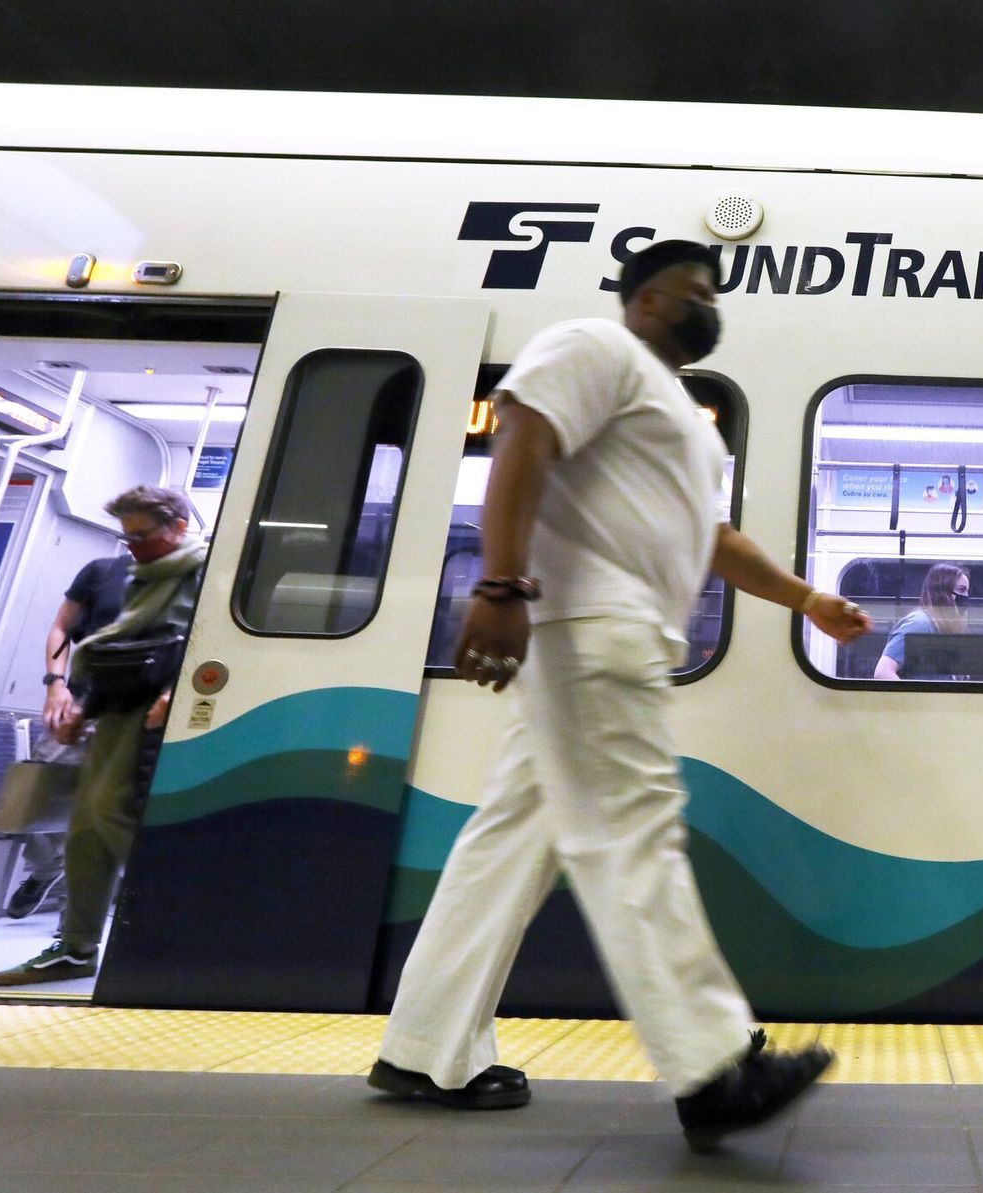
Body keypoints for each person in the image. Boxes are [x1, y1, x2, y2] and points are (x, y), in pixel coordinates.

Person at [365, 240, 872, 1150]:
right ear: (644, 298)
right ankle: (713, 1065)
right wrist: (502, 586)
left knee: (513, 839)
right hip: (593, 625)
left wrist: (805, 598)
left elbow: (710, 537)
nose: (707, 304)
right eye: (692, 290)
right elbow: (522, 441)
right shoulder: (591, 347)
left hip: (605, 631)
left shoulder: (679, 414)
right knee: (632, 829)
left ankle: (422, 1045)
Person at [0, 487, 203, 984]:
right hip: (114, 707)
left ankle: (180, 932)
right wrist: (75, 700)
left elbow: (204, 641)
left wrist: (178, 689)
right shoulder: (127, 576)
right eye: (126, 536)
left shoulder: (206, 571)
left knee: (116, 817)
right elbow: (117, 649)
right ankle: (75, 947)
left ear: (177, 525)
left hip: (162, 717)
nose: (133, 546)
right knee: (87, 830)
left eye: (143, 535)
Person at [6, 551, 133, 920]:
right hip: (82, 699)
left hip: (137, 709)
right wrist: (55, 684)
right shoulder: (102, 571)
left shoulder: (189, 577)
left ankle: (77, 916)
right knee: (38, 792)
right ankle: (47, 870)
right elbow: (61, 627)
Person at [872, 563, 968, 681]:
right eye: (961, 590)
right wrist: (911, 699)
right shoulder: (920, 624)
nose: (966, 597)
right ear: (943, 592)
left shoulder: (942, 630)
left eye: (967, 591)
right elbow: (883, 673)